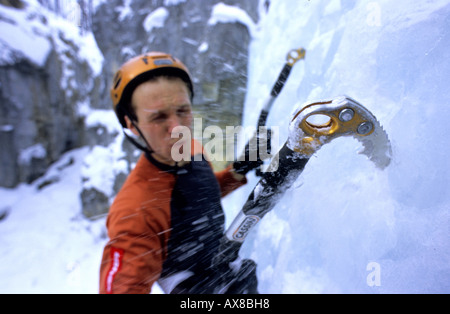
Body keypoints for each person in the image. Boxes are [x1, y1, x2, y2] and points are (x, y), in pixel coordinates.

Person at [99, 52, 262, 294]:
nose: (177, 128)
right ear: (132, 125)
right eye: (158, 117)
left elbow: (199, 195)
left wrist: (239, 170)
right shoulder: (135, 209)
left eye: (182, 110)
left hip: (229, 275)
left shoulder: (193, 150)